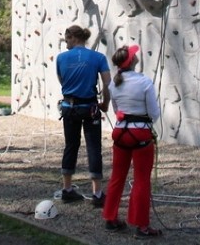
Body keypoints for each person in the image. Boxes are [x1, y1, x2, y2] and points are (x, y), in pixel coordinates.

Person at [102, 45, 162, 239]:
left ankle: (110, 218)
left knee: (117, 176)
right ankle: (141, 225)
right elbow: (153, 113)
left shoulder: (114, 84)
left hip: (121, 132)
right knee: (142, 180)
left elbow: (117, 110)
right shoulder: (144, 82)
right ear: (133, 61)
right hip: (140, 133)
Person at [56, 25, 111, 206]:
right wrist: (105, 104)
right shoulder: (98, 57)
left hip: (69, 106)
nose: (66, 44)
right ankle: (97, 193)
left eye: (67, 40)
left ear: (73, 37)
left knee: (71, 145)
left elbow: (62, 80)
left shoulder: (61, 58)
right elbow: (107, 83)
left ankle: (67, 188)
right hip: (89, 107)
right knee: (93, 147)